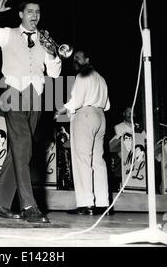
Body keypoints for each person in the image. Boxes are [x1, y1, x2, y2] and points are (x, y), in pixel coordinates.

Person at [0, 0, 61, 223]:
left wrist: (52, 53)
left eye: (38, 12)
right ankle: (29, 205)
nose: (34, 16)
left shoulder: (45, 39)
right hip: (13, 95)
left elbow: (54, 73)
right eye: (30, 11)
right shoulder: (7, 33)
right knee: (23, 146)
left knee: (18, 151)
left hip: (36, 98)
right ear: (21, 14)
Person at [56, 50, 110, 216]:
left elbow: (77, 101)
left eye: (78, 57)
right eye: (74, 58)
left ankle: (86, 204)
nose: (75, 60)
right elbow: (107, 105)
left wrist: (61, 110)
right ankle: (102, 204)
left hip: (85, 115)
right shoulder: (101, 78)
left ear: (87, 59)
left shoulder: (82, 76)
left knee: (82, 161)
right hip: (100, 116)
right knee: (98, 162)